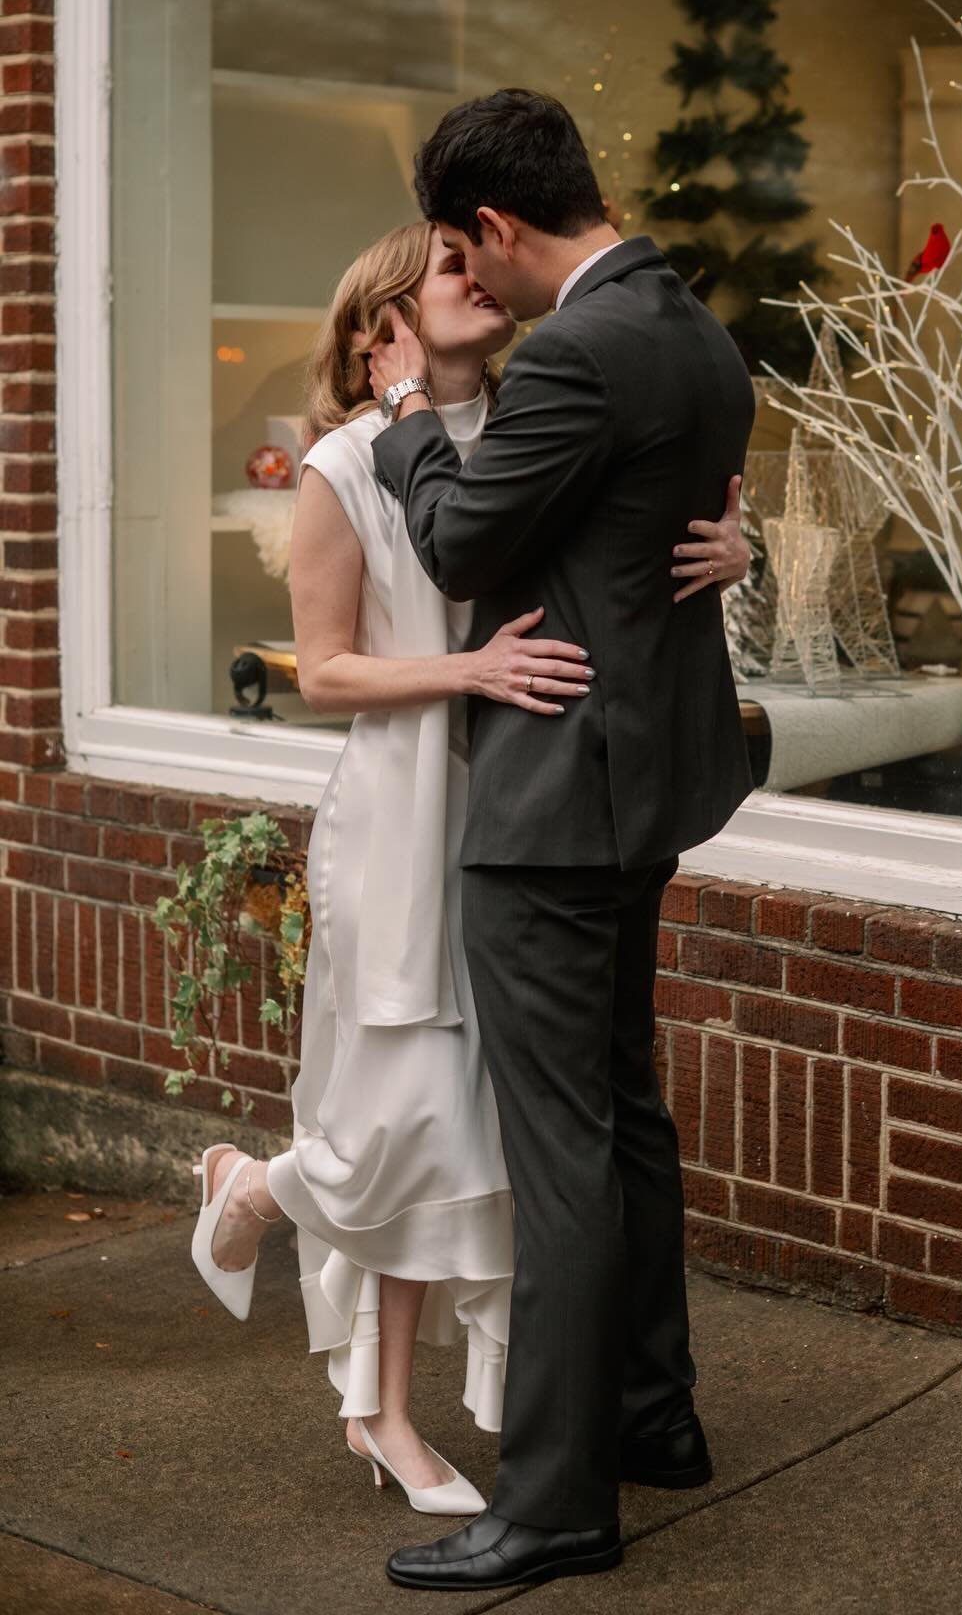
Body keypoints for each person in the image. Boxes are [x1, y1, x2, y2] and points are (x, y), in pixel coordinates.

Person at [187, 219, 750, 1520]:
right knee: (404, 1115)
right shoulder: (340, 466)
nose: (483, 279)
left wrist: (738, 550)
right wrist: (472, 669)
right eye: (452, 270)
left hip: (525, 815)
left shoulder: (533, 423)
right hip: (402, 814)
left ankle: (376, 1398)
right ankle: (261, 1192)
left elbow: (632, 548)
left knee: (457, 1125)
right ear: (384, 321)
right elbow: (326, 672)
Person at [368, 89, 757, 1593]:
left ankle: (557, 1504)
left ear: (495, 225)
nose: (471, 279)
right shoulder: (693, 329)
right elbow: (655, 531)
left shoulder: (578, 353)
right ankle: (654, 1416)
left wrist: (411, 423)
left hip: (554, 812)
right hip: (645, 788)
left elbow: (463, 544)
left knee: (564, 1158)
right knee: (624, 1112)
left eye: (467, 251)